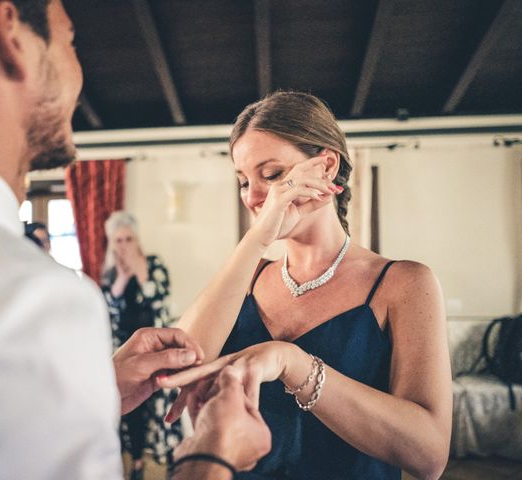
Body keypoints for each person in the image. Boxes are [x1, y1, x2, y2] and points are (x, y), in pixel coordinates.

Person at [0, 1, 270, 479]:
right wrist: (211, 455)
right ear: (13, 38)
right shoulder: (28, 300)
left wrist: (96, 389)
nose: (78, 71)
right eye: (69, 41)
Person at [160, 91, 453, 479]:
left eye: (271, 175)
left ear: (327, 165)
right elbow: (181, 361)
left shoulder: (405, 283)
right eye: (244, 181)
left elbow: (429, 457)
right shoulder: (247, 275)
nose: (253, 196)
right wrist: (257, 240)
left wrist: (294, 364)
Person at [101, 211, 182, 478]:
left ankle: (167, 459)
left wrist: (141, 273)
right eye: (118, 241)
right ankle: (136, 462)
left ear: (137, 239)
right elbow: (110, 308)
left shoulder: (154, 264)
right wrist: (123, 277)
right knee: (130, 411)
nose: (123, 245)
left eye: (128, 239)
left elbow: (161, 299)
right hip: (124, 349)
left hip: (156, 347)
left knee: (159, 403)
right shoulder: (111, 272)